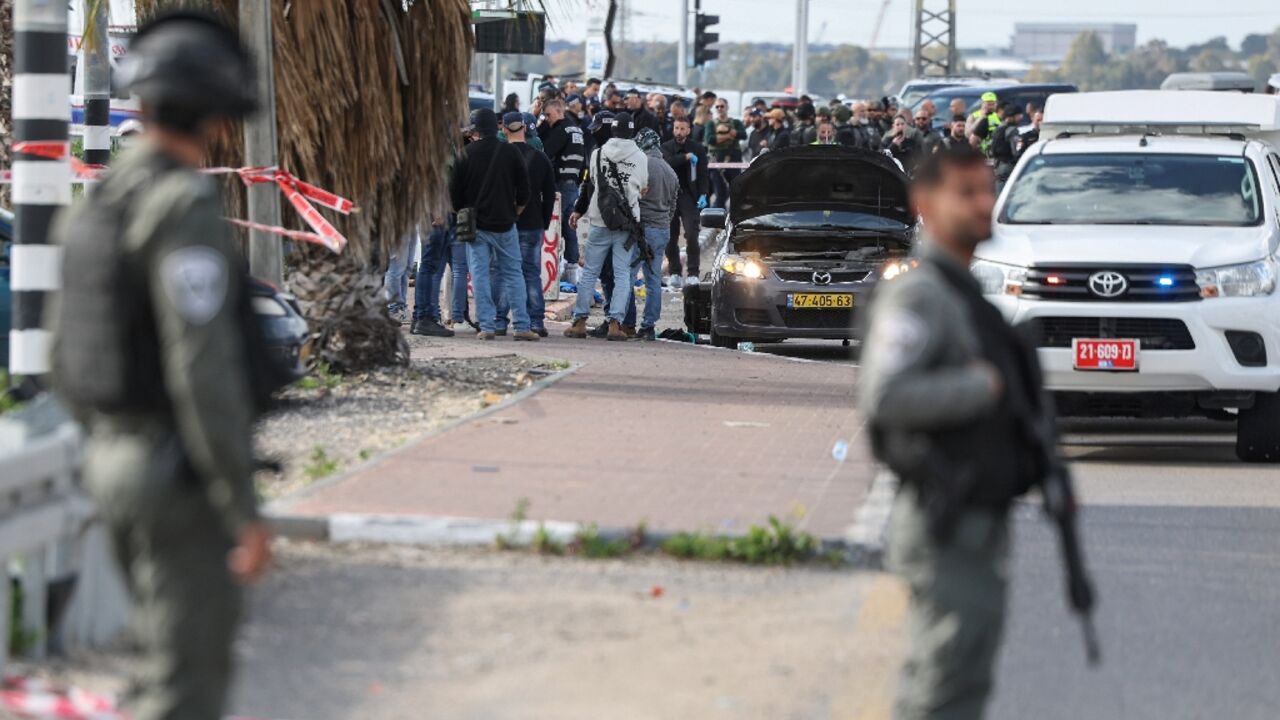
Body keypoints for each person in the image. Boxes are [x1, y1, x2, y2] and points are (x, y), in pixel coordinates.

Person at [50, 12, 271, 720]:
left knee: (152, 671)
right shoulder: (180, 204)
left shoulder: (99, 203)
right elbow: (199, 366)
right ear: (216, 113)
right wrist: (242, 506)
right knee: (184, 688)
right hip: (172, 470)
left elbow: (66, 348)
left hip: (110, 456)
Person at [860, 146, 1053, 720]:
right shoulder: (920, 294)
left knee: (962, 677)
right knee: (944, 682)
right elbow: (887, 395)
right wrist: (981, 388)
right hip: (944, 516)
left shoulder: (962, 291)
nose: (983, 204)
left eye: (987, 191)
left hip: (975, 513)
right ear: (925, 204)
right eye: (965, 192)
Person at [449, 107, 537, 341]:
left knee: (479, 275)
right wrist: (515, 211)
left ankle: (487, 327)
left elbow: (454, 198)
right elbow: (525, 191)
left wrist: (463, 212)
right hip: (506, 223)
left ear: (474, 130)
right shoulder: (510, 153)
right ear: (497, 127)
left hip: (476, 226)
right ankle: (521, 326)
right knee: (513, 274)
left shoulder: (464, 155)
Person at [565, 111, 648, 340]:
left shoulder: (597, 154)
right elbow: (642, 188)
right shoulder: (641, 157)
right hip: (626, 225)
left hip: (599, 221)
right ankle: (615, 324)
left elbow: (591, 184)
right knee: (622, 275)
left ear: (612, 130)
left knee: (590, 272)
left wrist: (579, 210)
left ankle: (580, 322)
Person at [494, 111, 557, 337]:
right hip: (533, 223)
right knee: (531, 272)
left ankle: (499, 320)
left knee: (503, 272)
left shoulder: (499, 156)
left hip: (504, 222)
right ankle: (536, 321)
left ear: (504, 129)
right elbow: (550, 194)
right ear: (525, 128)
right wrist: (544, 220)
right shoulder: (540, 158)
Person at [630, 128, 680, 340]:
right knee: (654, 280)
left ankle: (624, 322)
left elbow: (632, 197)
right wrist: (663, 223)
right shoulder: (670, 171)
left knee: (628, 275)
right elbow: (672, 205)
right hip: (661, 230)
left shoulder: (641, 165)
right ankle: (648, 326)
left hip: (642, 228)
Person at [540, 98, 588, 274]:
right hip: (573, 185)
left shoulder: (561, 130)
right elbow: (584, 162)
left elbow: (545, 150)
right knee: (569, 227)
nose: (547, 119)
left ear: (559, 112)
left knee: (553, 226)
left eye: (548, 115)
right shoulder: (577, 130)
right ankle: (571, 268)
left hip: (560, 184)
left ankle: (553, 270)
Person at [662, 116, 709, 289]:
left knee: (692, 233)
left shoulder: (698, 148)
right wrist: (686, 157)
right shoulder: (666, 147)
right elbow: (666, 163)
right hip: (669, 196)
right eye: (676, 128)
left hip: (689, 196)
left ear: (688, 130)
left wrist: (703, 194)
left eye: (682, 129)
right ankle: (675, 272)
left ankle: (693, 273)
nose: (679, 132)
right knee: (670, 236)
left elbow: (704, 174)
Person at [704, 98, 745, 208]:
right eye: (717, 106)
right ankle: (716, 218)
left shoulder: (736, 122)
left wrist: (730, 133)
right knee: (720, 192)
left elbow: (743, 135)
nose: (719, 108)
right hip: (717, 161)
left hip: (733, 160)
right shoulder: (711, 124)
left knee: (734, 192)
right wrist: (729, 135)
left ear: (727, 107)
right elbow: (710, 140)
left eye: (722, 106)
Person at [989, 103, 1025, 189]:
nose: (1020, 118)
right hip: (1009, 166)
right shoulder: (1012, 130)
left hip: (998, 165)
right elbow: (1016, 151)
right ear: (1011, 116)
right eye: (1018, 115)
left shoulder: (998, 128)